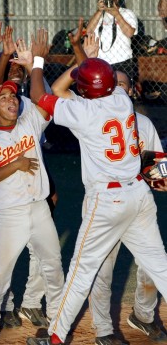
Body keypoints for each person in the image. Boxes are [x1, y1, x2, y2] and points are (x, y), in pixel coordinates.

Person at [26, 25, 167, 345]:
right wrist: (87, 55)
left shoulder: (83, 111)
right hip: (139, 195)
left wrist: (38, 60)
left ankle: (56, 337)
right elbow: (97, 79)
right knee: (161, 269)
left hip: (107, 201)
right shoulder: (121, 100)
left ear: (85, 89)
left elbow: (38, 95)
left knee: (80, 272)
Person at [0, 29, 65, 345]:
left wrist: (35, 63)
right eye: (3, 97)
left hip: (38, 208)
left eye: (14, 95)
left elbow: (44, 99)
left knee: (53, 265)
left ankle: (55, 321)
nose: (11, 98)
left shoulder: (30, 120)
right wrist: (14, 165)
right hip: (8, 213)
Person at [86, 0, 139, 83]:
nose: (107, 2)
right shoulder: (98, 16)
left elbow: (130, 33)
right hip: (101, 62)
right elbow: (88, 32)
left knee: (122, 94)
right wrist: (99, 12)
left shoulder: (127, 13)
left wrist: (116, 14)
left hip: (122, 62)